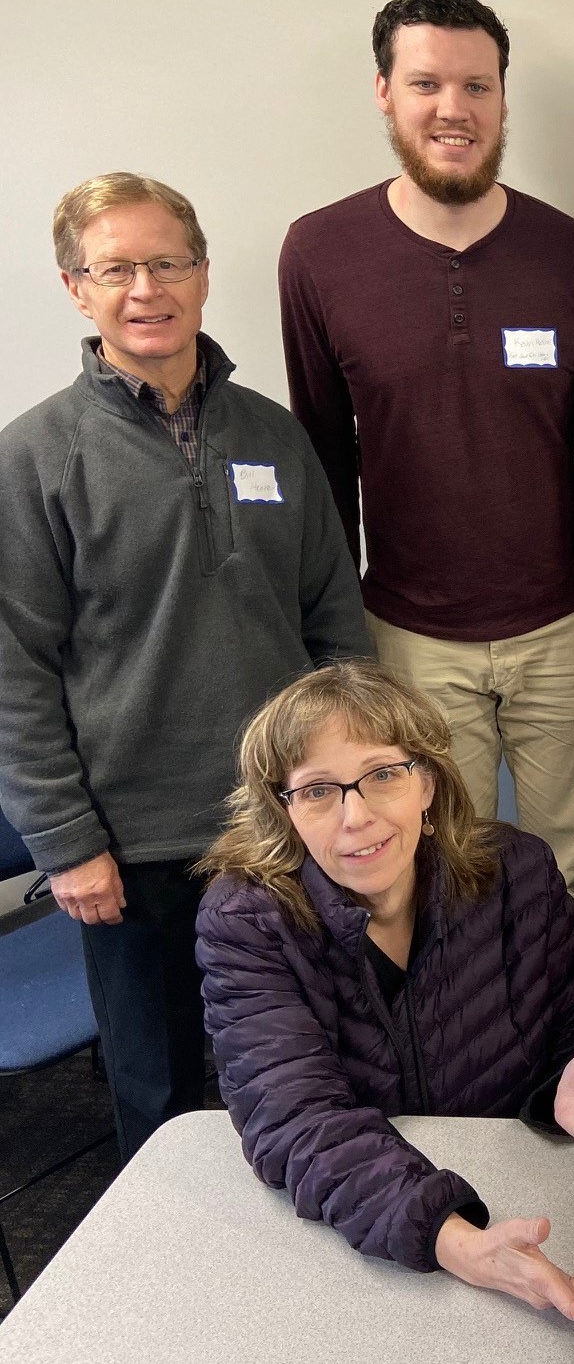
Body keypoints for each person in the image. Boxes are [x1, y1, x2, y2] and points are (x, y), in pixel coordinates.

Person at [0, 172, 368, 1162]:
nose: (145, 289)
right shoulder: (32, 460)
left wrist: (345, 791)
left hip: (282, 823)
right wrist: (66, 843)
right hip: (133, 844)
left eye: (166, 263)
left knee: (313, 1065)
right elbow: (14, 674)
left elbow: (335, 626)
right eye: (114, 268)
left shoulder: (273, 435)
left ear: (202, 274)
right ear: (76, 288)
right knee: (159, 1090)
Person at [279, 0, 574, 948]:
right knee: (438, 881)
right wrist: (337, 639)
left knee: (572, 877)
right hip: (409, 635)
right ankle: (463, 1044)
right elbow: (321, 456)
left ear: (503, 98)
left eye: (477, 86)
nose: (453, 109)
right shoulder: (319, 253)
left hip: (561, 627)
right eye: (426, 83)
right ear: (383, 92)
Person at [196, 661, 574, 1320]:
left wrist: (562, 1089)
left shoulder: (518, 870)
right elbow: (296, 1119)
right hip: (365, 1240)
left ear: (427, 781)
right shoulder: (247, 921)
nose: (356, 816)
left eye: (383, 775)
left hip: (528, 1190)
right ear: (284, 810)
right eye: (317, 791)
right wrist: (454, 1239)